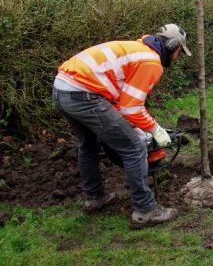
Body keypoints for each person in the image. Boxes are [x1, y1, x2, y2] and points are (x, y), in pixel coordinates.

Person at [51, 24, 192, 228]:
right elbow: (132, 107)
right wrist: (155, 129)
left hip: (62, 89)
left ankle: (95, 198)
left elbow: (119, 99)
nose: (177, 58)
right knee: (134, 148)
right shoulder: (150, 62)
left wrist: (132, 124)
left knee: (88, 145)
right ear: (173, 47)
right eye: (179, 52)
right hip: (84, 95)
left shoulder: (136, 49)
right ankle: (145, 210)